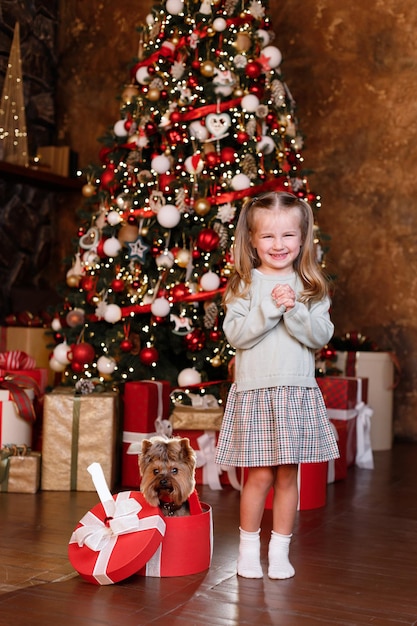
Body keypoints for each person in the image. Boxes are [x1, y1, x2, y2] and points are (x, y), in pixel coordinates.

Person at [215, 191, 339, 580]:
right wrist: (269, 307)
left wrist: (294, 308)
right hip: (256, 392)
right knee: (260, 475)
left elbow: (319, 336)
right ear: (251, 240)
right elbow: (237, 335)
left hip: (295, 391)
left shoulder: (311, 285)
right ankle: (248, 548)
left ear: (302, 238)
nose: (278, 245)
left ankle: (280, 548)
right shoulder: (243, 285)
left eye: (288, 235)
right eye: (268, 236)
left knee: (288, 474)